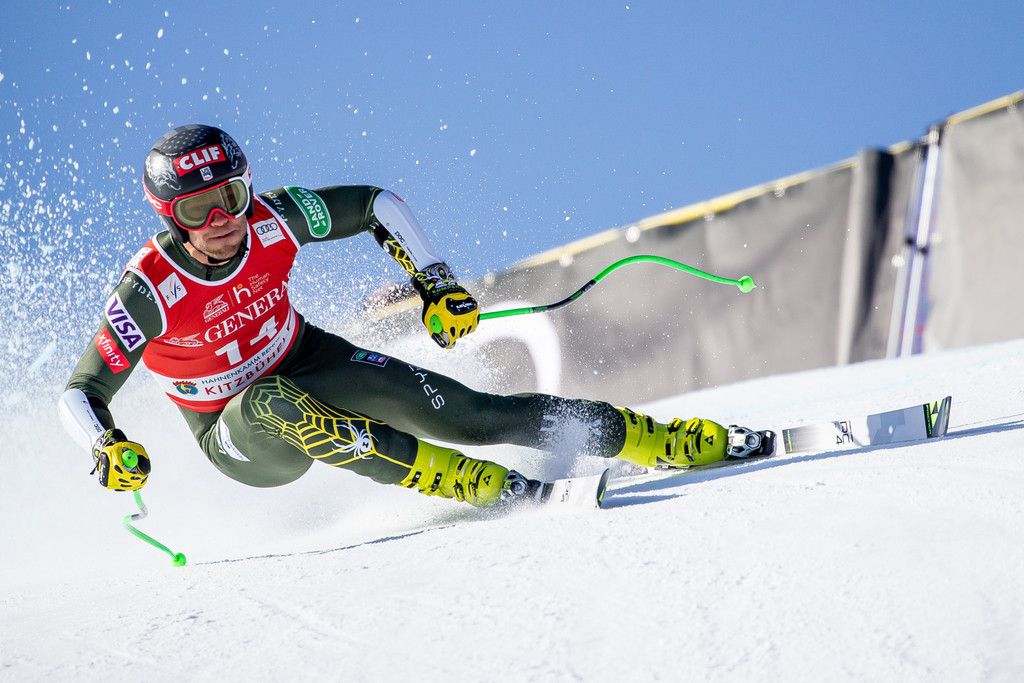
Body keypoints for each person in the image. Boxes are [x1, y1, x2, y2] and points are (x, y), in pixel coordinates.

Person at [58, 124, 760, 506]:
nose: (222, 221)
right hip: (236, 433)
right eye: (196, 209)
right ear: (169, 217)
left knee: (473, 412)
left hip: (308, 360)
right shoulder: (151, 289)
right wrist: (105, 445)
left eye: (232, 197)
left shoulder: (273, 219)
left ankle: (655, 438)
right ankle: (464, 481)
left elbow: (375, 204)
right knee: (270, 401)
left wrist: (435, 283)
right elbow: (82, 390)